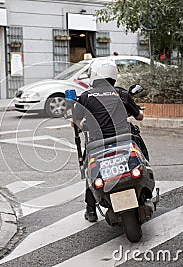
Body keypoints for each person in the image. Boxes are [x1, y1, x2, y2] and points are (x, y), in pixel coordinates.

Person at [72, 58, 144, 222]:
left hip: (98, 144)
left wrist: (84, 124)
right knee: (140, 151)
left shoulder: (85, 96)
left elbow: (75, 122)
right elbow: (139, 116)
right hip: (124, 140)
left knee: (91, 171)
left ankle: (91, 210)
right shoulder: (122, 93)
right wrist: (135, 110)